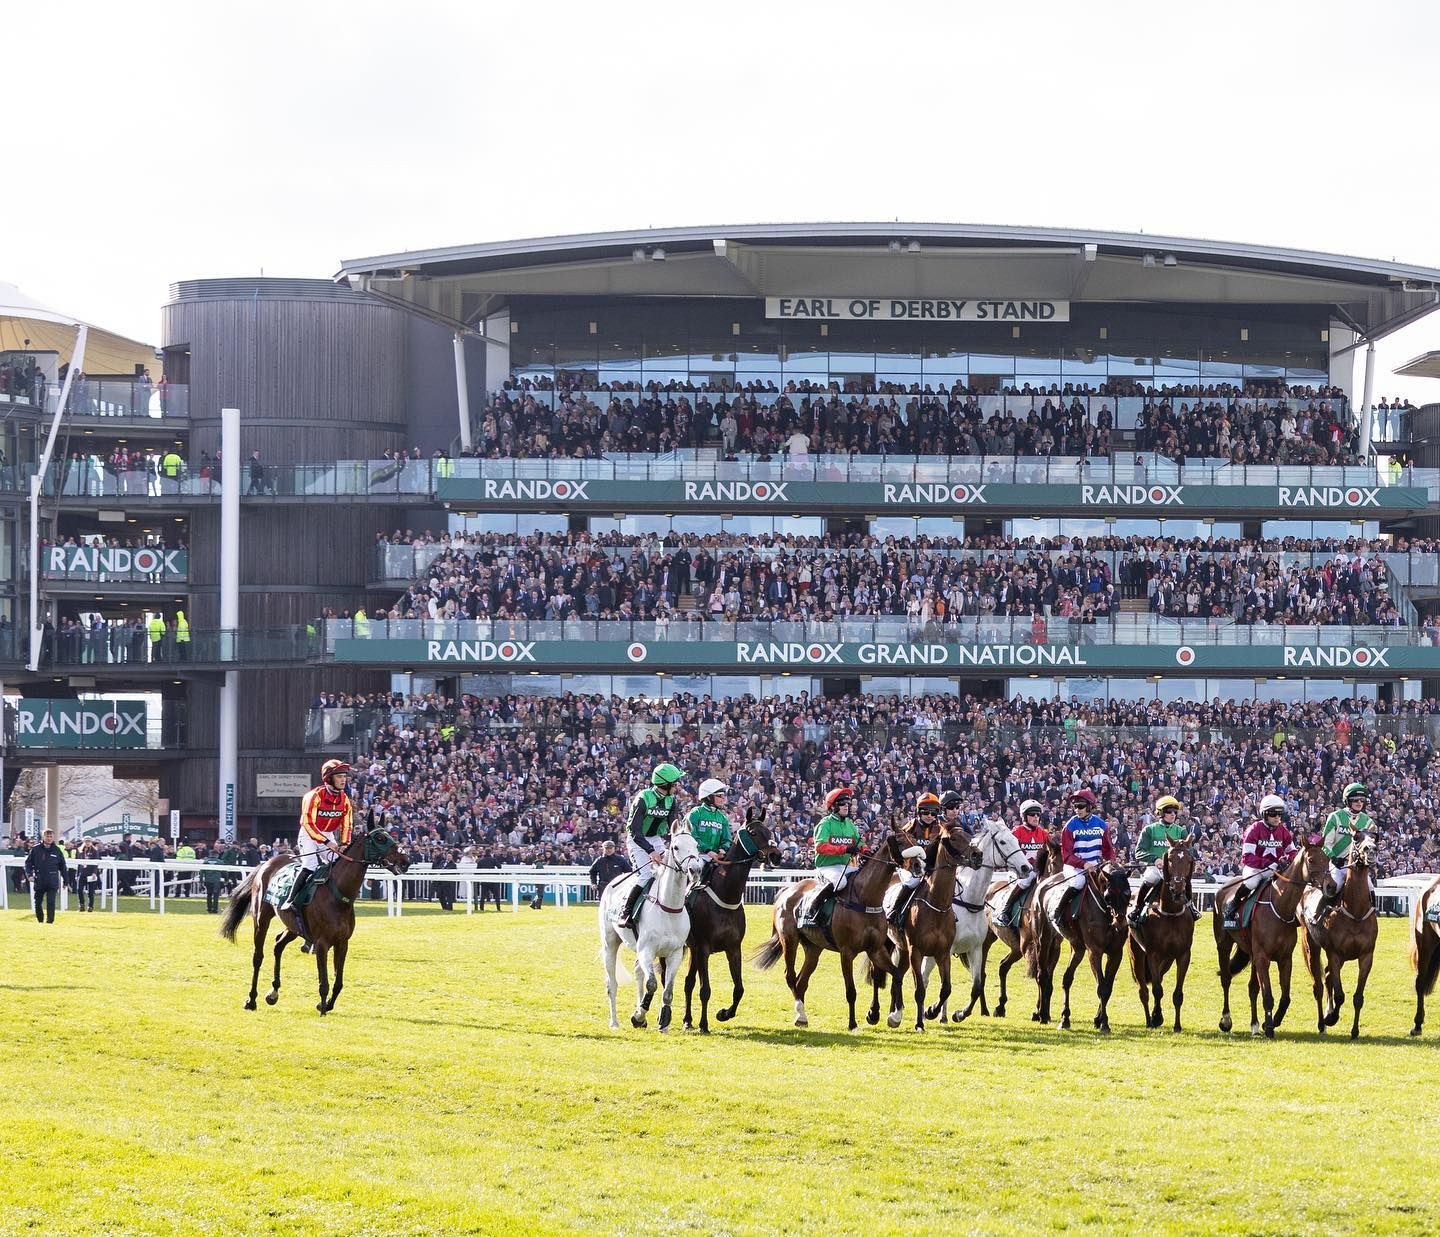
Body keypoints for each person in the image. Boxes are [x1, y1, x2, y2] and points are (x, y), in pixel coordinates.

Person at [283, 759, 354, 940]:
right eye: (339, 776)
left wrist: (344, 843)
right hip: (309, 833)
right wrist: (326, 842)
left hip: (328, 834)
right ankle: (290, 900)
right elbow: (307, 822)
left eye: (344, 776)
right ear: (329, 779)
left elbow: (347, 824)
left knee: (336, 865)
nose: (343, 780)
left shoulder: (344, 799)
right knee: (310, 865)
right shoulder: (313, 796)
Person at [620, 762, 685, 930]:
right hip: (637, 840)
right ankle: (626, 912)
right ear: (666, 784)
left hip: (655, 838)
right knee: (646, 875)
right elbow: (635, 831)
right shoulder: (643, 798)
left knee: (670, 871)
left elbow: (674, 828)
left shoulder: (671, 800)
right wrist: (651, 852)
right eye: (675, 783)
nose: (677, 786)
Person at [1226, 794, 1296, 928]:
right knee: (1252, 883)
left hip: (1276, 869)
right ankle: (1233, 905)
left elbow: (1292, 852)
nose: (1277, 818)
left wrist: (1286, 860)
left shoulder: (1283, 831)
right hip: (1256, 868)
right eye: (1273, 814)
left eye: (1279, 814)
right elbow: (1247, 857)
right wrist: (1267, 864)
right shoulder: (1254, 829)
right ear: (1264, 814)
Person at [1311, 782, 1376, 923]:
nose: (1359, 803)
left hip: (1358, 865)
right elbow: (1325, 844)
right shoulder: (1335, 817)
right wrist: (1334, 858)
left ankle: (1372, 917)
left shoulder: (1368, 822)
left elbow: (1371, 844)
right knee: (1336, 886)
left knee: (1370, 888)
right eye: (1355, 800)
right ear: (1347, 801)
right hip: (1338, 864)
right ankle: (1319, 914)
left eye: (1362, 800)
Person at [1051, 788, 1115, 931]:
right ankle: (1058, 913)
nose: (1077, 809)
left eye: (1080, 806)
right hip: (1075, 866)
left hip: (1096, 865)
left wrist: (1111, 863)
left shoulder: (1101, 824)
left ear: (1090, 806)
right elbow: (1067, 855)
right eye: (1075, 806)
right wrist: (1084, 864)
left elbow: (1108, 849)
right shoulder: (1069, 827)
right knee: (1078, 882)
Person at [801, 787, 863, 927]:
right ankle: (814, 907)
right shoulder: (825, 824)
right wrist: (845, 849)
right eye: (842, 803)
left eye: (848, 802)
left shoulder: (850, 825)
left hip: (847, 867)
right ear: (833, 806)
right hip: (827, 867)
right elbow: (820, 847)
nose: (847, 805)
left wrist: (865, 850)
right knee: (840, 883)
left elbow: (861, 843)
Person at [1129, 795, 1195, 925]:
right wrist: (1155, 859)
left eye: (1175, 812)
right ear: (1161, 813)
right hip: (1155, 867)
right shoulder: (1149, 830)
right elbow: (1139, 852)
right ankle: (1137, 908)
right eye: (1169, 811)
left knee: (1185, 881)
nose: (1173, 814)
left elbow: (1190, 852)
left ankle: (1191, 907)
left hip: (1174, 870)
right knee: (1151, 879)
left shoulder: (1181, 830)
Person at [889, 791, 940, 926]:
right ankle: (895, 911)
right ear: (919, 812)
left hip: (930, 867)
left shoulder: (939, 829)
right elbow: (901, 849)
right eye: (926, 812)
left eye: (933, 813)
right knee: (912, 882)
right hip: (908, 866)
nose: (930, 816)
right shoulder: (910, 827)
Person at [998, 799, 1048, 929]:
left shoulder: (1043, 833)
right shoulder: (1016, 832)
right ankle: (1004, 910)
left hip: (1038, 870)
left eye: (1038, 814)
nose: (1036, 817)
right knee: (1028, 879)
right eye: (1032, 814)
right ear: (1024, 816)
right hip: (1019, 871)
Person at [687, 778, 734, 883]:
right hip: (697, 856)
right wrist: (707, 851)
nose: (723, 799)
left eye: (723, 796)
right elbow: (692, 836)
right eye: (719, 796)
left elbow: (727, 839)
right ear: (708, 797)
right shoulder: (695, 813)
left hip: (716, 858)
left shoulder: (722, 818)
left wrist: (723, 849)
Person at [25, 829, 68, 924]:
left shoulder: (57, 850)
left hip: (52, 880)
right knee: (38, 902)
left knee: (51, 902)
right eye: (47, 836)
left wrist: (66, 881)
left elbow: (63, 866)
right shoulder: (35, 849)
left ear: (53, 837)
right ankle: (40, 920)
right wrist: (29, 875)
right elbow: (28, 863)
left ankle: (50, 921)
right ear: (43, 837)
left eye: (50, 836)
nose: (49, 838)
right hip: (39, 879)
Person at [201, 844, 226, 913]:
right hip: (216, 881)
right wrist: (226, 879)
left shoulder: (205, 862)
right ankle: (215, 909)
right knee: (215, 895)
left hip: (208, 881)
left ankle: (209, 908)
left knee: (209, 894)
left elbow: (201, 872)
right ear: (217, 855)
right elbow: (225, 872)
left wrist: (201, 881)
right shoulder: (220, 862)